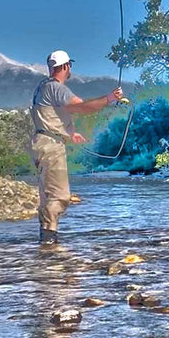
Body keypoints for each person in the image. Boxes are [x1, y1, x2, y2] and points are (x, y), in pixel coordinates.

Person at [29, 50, 123, 244]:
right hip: (51, 147)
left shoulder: (43, 87)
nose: (70, 68)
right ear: (65, 66)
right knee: (60, 197)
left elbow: (52, 114)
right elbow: (82, 107)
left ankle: (46, 241)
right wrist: (109, 99)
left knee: (47, 196)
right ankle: (49, 240)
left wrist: (71, 133)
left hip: (41, 143)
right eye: (69, 65)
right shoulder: (57, 88)